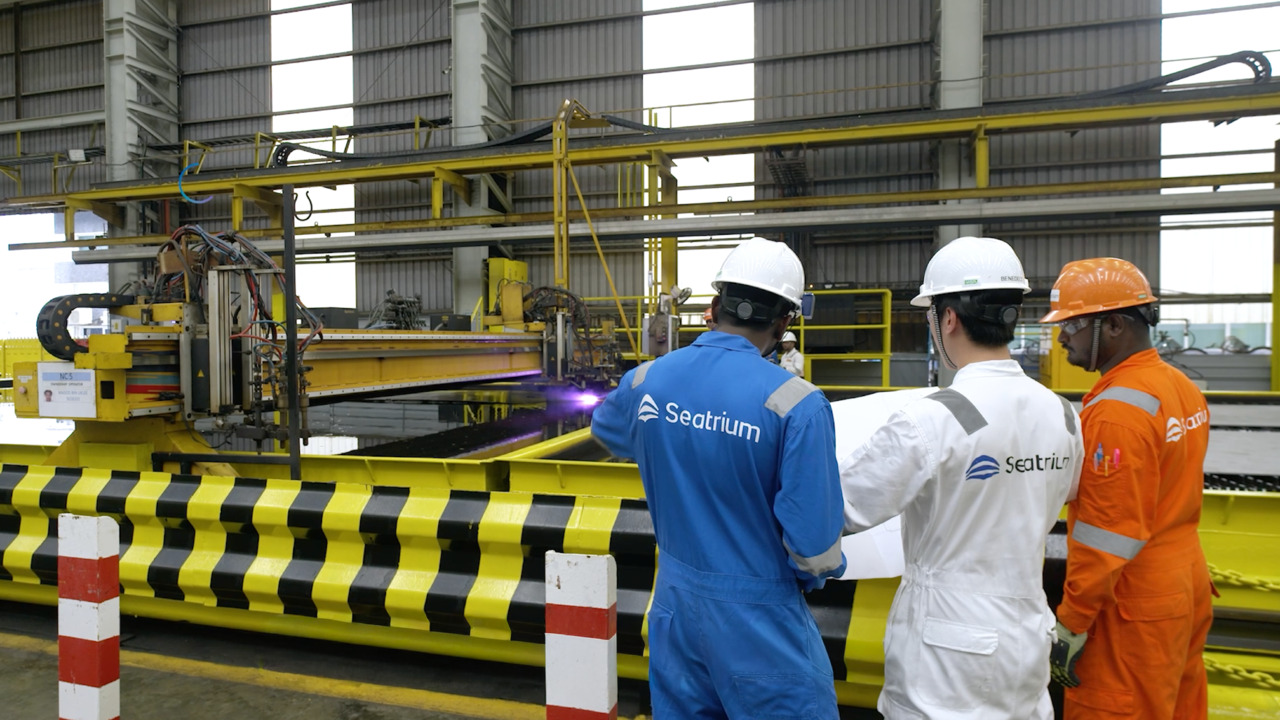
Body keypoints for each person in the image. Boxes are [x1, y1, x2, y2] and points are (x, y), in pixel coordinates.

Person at [592, 237, 846, 719]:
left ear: (716, 303)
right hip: (759, 621)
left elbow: (609, 430)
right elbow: (815, 551)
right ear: (784, 321)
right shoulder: (798, 404)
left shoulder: (646, 380)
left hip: (674, 610)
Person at [837, 236, 1083, 720]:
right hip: (1026, 636)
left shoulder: (934, 418)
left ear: (947, 318)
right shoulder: (1061, 413)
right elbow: (1063, 492)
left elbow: (843, 507)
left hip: (945, 653)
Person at [1040, 258, 1213, 720]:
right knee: (1178, 706)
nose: (1062, 338)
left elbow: (1107, 534)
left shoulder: (1117, 413)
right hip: (1183, 583)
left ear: (1114, 326)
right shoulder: (1179, 386)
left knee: (1115, 707)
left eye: (1072, 326)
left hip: (1133, 604)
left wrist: (1072, 621)